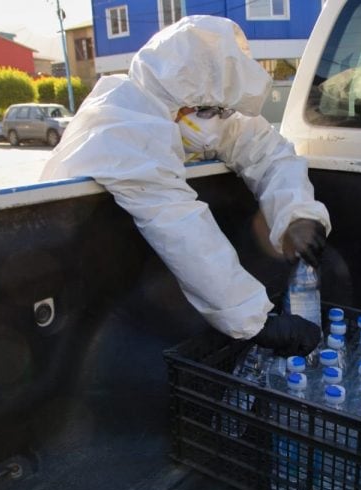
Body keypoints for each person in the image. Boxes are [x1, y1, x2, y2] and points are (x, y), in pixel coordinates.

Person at [40, 15, 330, 357]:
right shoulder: (123, 121)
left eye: (222, 110)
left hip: (131, 275)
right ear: (181, 97)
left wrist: (297, 215)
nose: (219, 120)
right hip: (74, 277)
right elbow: (181, 226)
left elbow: (267, 152)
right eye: (210, 111)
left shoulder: (193, 110)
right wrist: (257, 321)